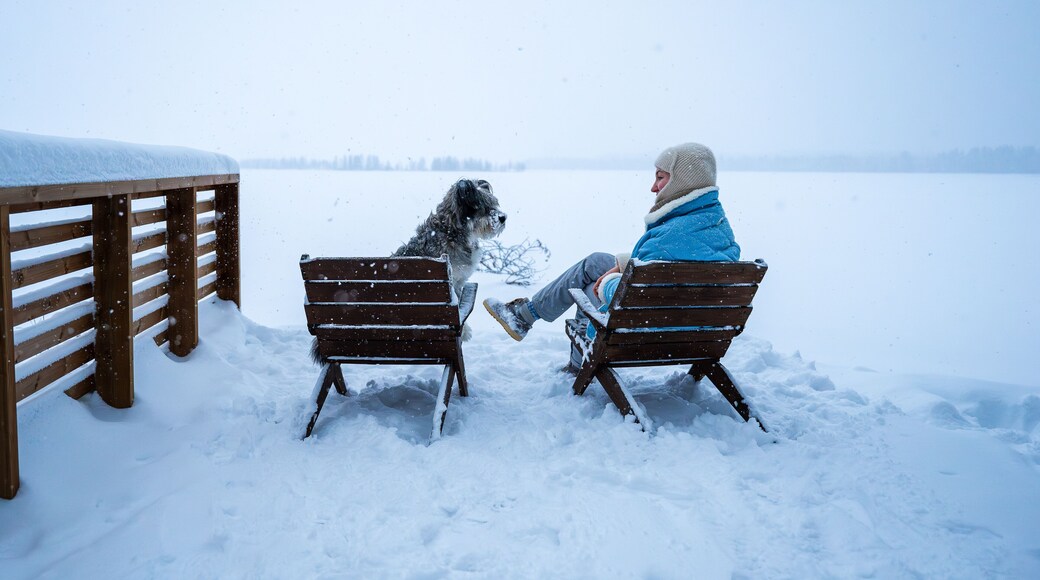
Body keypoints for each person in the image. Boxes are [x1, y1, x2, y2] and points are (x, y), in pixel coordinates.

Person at [483, 142, 740, 369]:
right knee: (596, 262)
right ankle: (528, 316)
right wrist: (622, 265)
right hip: (697, 334)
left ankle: (557, 343)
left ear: (683, 181)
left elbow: (631, 289)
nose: (653, 187)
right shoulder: (716, 225)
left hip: (645, 332)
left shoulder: (669, 234)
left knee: (585, 285)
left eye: (661, 177)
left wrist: (607, 282)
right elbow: (677, 262)